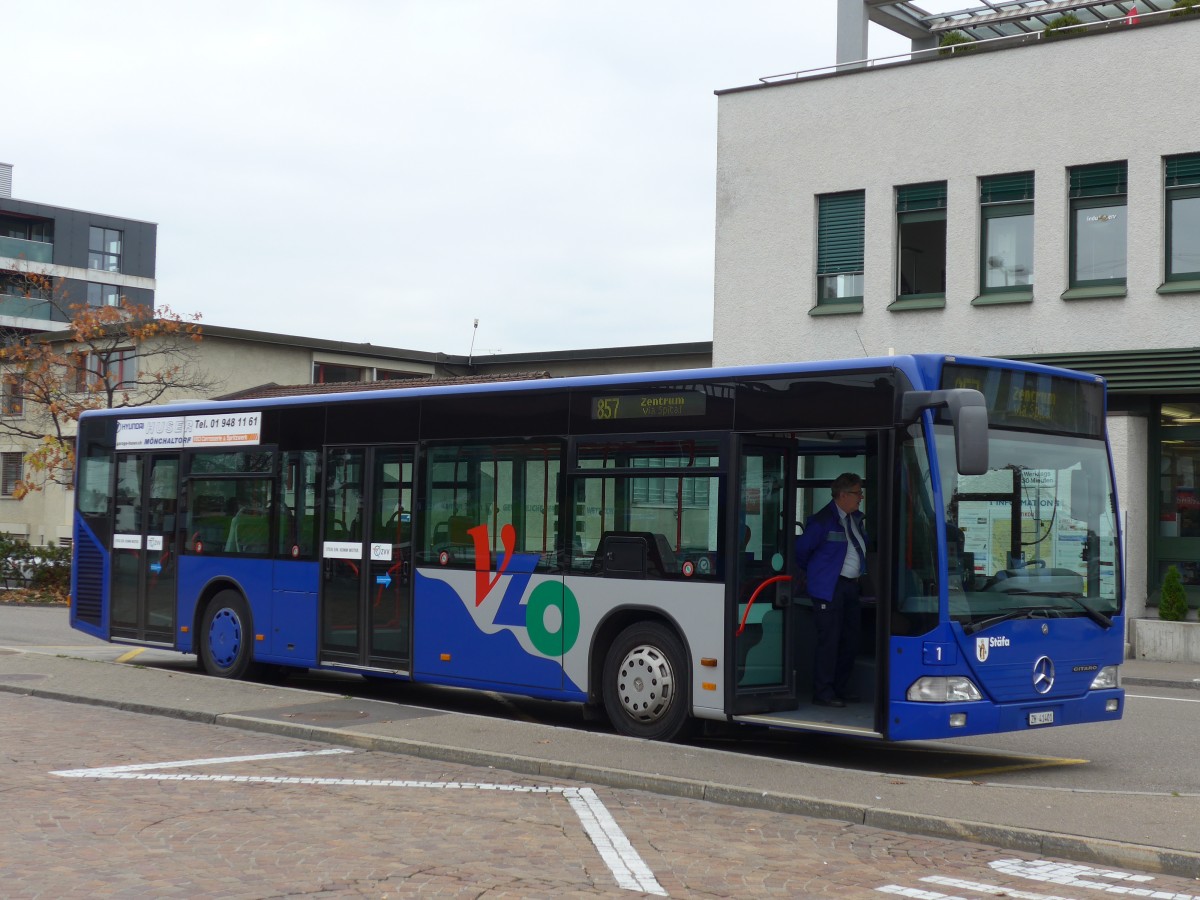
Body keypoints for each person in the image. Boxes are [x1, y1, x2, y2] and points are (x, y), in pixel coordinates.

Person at [794, 472, 867, 708]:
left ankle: (840, 688)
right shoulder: (823, 520)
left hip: (851, 587)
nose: (861, 497)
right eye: (857, 493)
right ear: (843, 494)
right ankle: (823, 692)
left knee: (851, 640)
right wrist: (819, 576)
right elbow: (801, 551)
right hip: (829, 588)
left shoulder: (854, 519)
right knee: (830, 641)